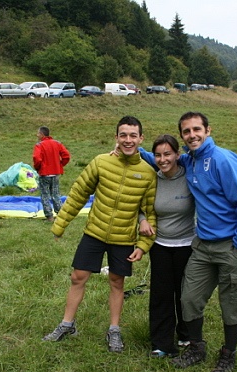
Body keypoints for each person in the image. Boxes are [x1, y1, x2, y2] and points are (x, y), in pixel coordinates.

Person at [42, 116, 157, 353]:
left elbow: (150, 212)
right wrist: (60, 225)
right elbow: (78, 193)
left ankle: (114, 330)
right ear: (116, 137)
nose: (128, 140)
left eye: (133, 135)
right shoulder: (101, 162)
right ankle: (67, 324)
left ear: (141, 139)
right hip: (94, 232)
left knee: (117, 282)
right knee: (78, 277)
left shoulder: (148, 173)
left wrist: (143, 244)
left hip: (123, 238)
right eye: (123, 135)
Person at [166, 112, 237, 372]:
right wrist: (134, 151)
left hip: (230, 247)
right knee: (189, 299)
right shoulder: (191, 160)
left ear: (208, 130)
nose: (192, 135)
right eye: (186, 131)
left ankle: (228, 354)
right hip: (202, 247)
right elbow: (166, 159)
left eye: (197, 129)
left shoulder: (222, 160)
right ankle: (197, 348)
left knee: (232, 304)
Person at [138, 134, 196, 358]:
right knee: (161, 295)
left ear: (177, 155)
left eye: (167, 154)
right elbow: (140, 205)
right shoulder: (152, 179)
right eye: (158, 155)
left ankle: (186, 334)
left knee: (185, 293)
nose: (163, 160)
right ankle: (161, 343)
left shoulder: (190, 177)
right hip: (160, 245)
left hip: (187, 245)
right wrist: (142, 220)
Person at [32, 126, 71, 222]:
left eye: (38, 133)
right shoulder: (57, 143)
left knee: (45, 195)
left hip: (44, 174)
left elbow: (37, 158)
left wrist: (38, 168)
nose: (37, 135)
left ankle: (49, 216)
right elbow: (66, 156)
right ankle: (61, 214)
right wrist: (60, 165)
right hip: (56, 173)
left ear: (42, 134)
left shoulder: (39, 145)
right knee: (56, 194)